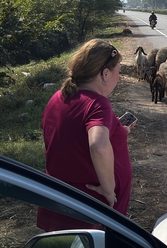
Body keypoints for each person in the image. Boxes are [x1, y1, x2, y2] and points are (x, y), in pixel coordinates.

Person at [37, 39, 134, 231]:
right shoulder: (98, 104)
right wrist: (108, 189)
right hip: (92, 210)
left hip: (61, 199)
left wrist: (119, 131)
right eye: (118, 72)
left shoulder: (58, 97)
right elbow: (98, 146)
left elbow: (72, 138)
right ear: (105, 74)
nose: (120, 78)